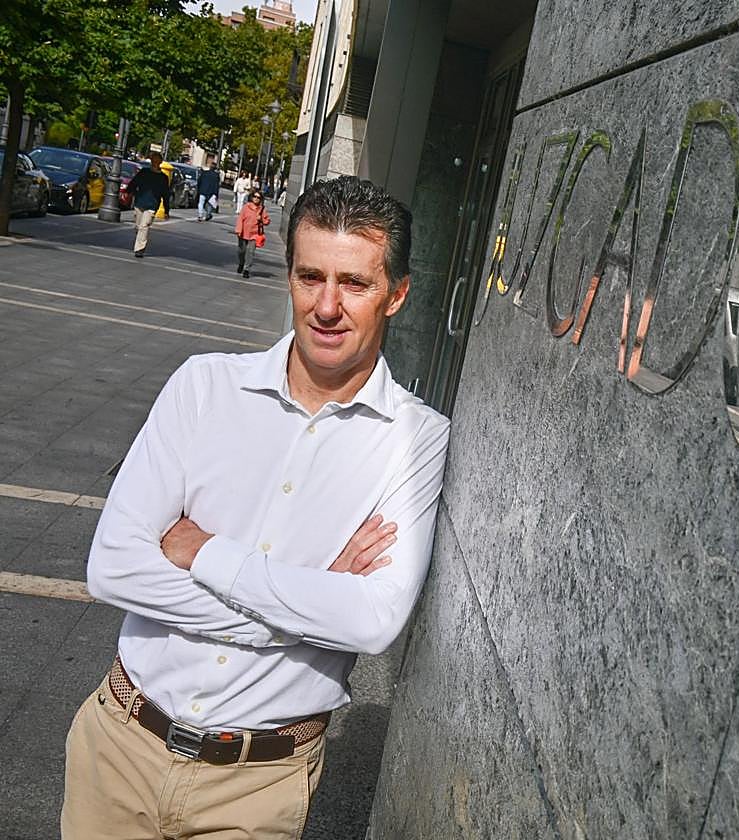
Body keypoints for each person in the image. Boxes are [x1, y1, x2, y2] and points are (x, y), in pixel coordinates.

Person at [62, 175, 450, 839]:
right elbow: (113, 568)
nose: (326, 306)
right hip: (118, 751)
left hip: (257, 787)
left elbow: (374, 622)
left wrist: (204, 552)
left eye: (354, 283)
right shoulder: (204, 387)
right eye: (309, 277)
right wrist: (308, 607)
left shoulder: (416, 437)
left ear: (397, 294)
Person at [127, 152, 170, 258]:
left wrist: (166, 210)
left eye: (156, 160)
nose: (154, 162)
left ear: (160, 162)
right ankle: (140, 243)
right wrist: (129, 191)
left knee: (144, 226)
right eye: (153, 160)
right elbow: (134, 182)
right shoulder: (144, 172)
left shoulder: (163, 178)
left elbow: (166, 194)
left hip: (152, 205)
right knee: (138, 226)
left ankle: (139, 249)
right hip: (140, 202)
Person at [235, 190, 270, 278]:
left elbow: (267, 221)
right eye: (255, 196)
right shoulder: (246, 207)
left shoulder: (262, 209)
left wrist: (261, 219)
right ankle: (241, 263)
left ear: (261, 199)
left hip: (254, 235)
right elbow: (240, 219)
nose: (256, 199)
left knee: (250, 252)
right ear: (251, 197)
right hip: (243, 233)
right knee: (241, 251)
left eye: (258, 197)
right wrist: (239, 230)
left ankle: (247, 269)